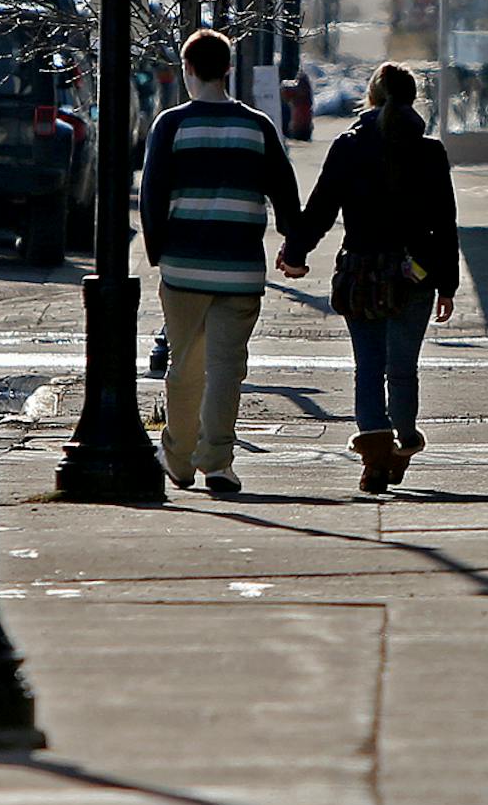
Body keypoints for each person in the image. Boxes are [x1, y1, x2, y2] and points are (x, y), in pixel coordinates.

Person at [278, 61, 458, 493]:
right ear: (414, 100)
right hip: (414, 275)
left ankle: (376, 453)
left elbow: (322, 207)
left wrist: (296, 251)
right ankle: (404, 441)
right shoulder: (429, 151)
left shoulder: (349, 146)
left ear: (371, 98)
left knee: (368, 367)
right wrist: (446, 284)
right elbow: (444, 222)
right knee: (402, 369)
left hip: (361, 274)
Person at [139, 27, 301, 499]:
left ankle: (178, 457)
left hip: (184, 267)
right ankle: (218, 463)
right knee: (227, 369)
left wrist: (158, 251)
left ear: (188, 71)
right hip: (240, 270)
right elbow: (285, 192)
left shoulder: (170, 125)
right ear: (228, 70)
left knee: (184, 367)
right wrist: (294, 249)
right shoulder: (257, 126)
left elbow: (152, 196)